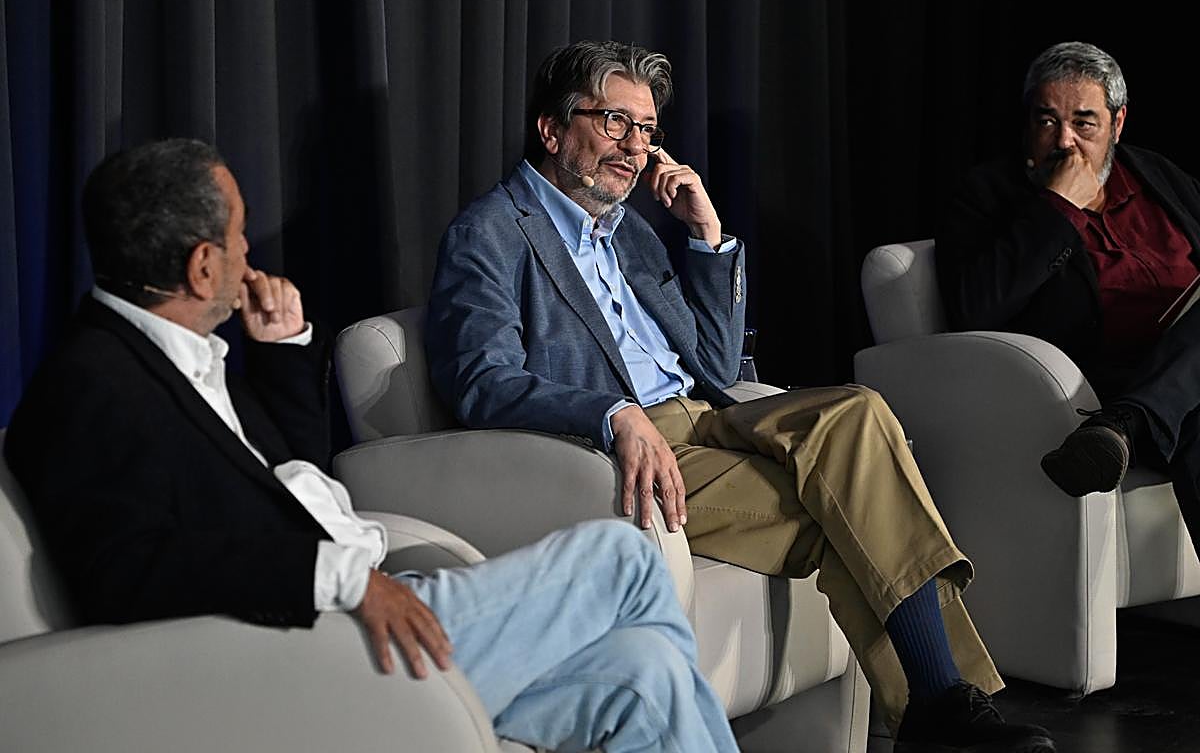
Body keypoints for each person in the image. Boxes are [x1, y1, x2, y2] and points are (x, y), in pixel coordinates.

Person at [3, 138, 740, 753]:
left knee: (646, 672)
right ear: (201, 267)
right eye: (236, 237)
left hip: (357, 613)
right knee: (623, 556)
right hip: (304, 649)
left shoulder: (174, 356)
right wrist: (343, 578)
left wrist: (284, 353)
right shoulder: (89, 387)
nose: (247, 253)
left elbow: (287, 479)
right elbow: (127, 573)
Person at [426, 39, 1055, 752]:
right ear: (551, 128)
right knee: (852, 511)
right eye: (614, 124)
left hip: (710, 416)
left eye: (646, 131)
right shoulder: (490, 233)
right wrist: (611, 413)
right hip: (627, 449)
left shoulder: (629, 232)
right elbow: (482, 382)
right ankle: (942, 711)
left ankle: (938, 712)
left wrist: (707, 235)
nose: (635, 148)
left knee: (858, 409)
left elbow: (717, 362)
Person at [935, 41, 1200, 550]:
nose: (1066, 142)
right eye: (1047, 122)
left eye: (1084, 123)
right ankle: (1128, 417)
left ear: (1117, 124)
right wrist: (1058, 209)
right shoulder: (988, 194)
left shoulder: (1156, 176)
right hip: (1102, 374)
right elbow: (975, 307)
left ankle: (1127, 425)